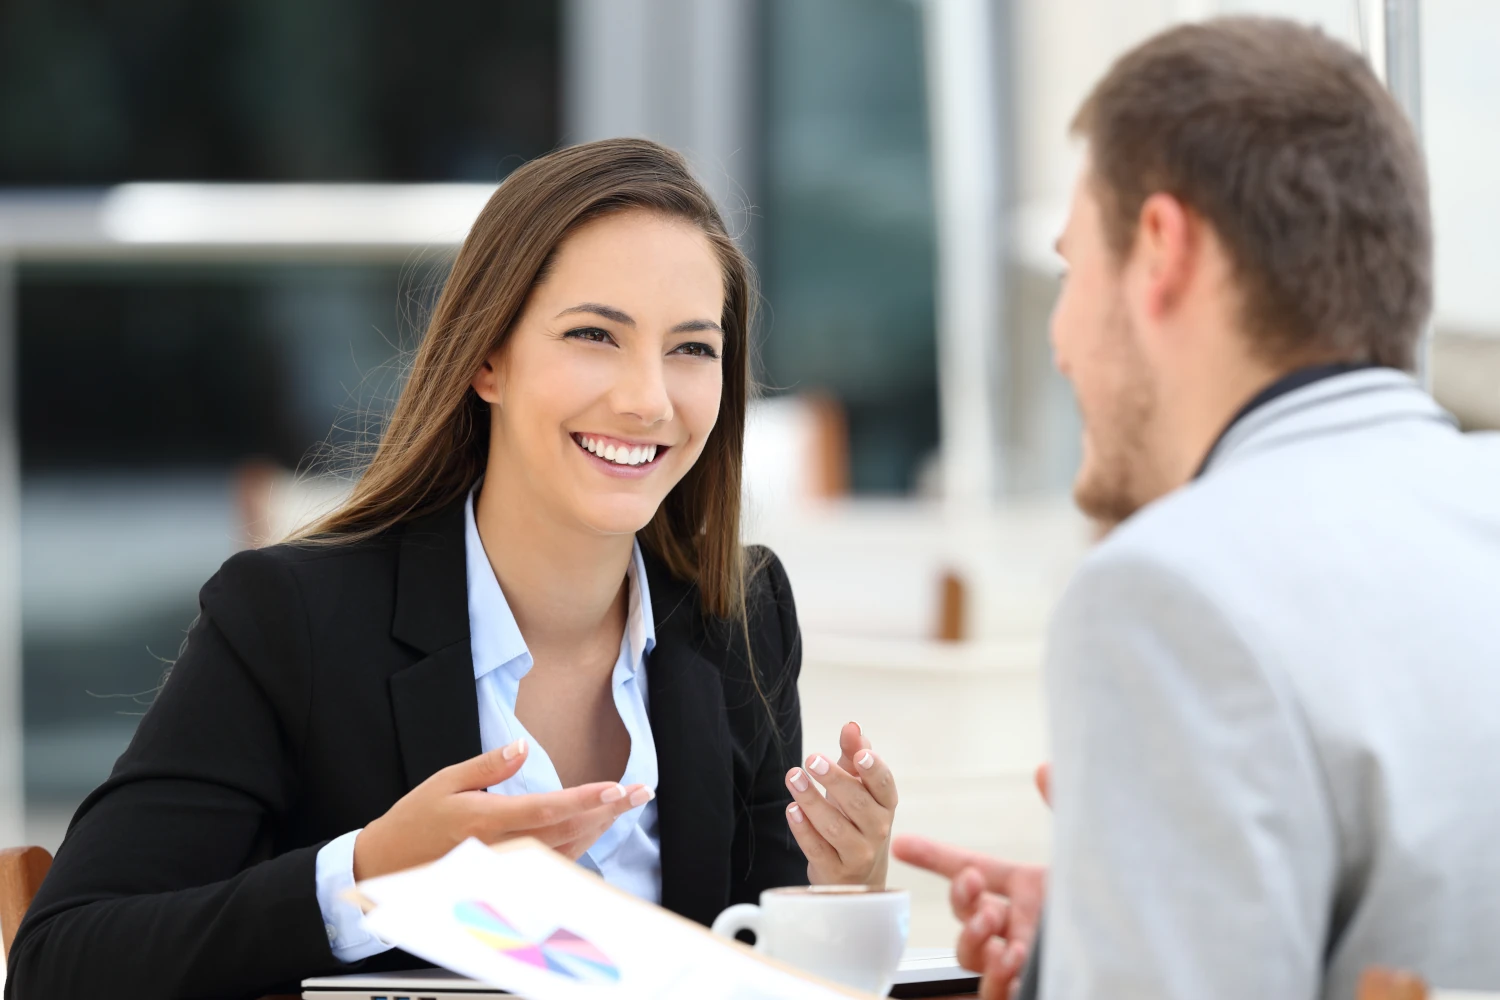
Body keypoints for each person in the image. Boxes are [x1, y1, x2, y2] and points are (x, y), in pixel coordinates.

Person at [6, 138, 899, 999]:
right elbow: (62, 961)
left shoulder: (738, 613)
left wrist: (846, 888)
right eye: (595, 335)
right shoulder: (290, 620)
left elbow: (767, 971)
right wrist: (370, 876)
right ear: (487, 359)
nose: (647, 399)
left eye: (693, 347)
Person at [896, 16, 1500, 1000]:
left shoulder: (1171, 589)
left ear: (1160, 249)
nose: (1058, 340)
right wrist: (1116, 920)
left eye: (1070, 267)